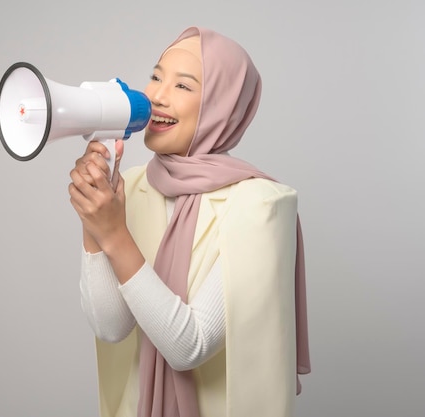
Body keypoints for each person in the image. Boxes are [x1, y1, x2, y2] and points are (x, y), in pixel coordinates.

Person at [68, 26, 310, 417]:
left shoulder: (263, 206)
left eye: (183, 86)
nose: (157, 96)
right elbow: (111, 328)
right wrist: (92, 219)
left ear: (223, 105)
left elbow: (189, 346)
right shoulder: (129, 187)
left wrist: (113, 232)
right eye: (156, 76)